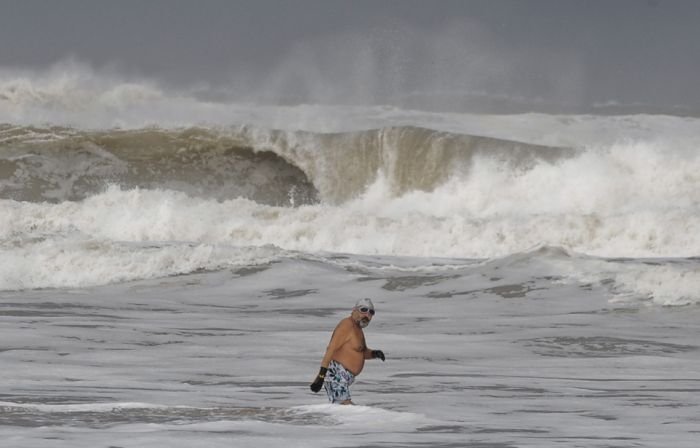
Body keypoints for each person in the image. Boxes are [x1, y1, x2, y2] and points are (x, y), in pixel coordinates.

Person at [309, 298, 385, 404]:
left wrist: (374, 354)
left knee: (344, 412)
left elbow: (361, 352)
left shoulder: (358, 329)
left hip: (344, 378)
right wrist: (320, 377)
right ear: (354, 310)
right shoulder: (346, 325)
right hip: (336, 375)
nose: (367, 315)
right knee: (349, 410)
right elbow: (330, 349)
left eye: (371, 312)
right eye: (363, 310)